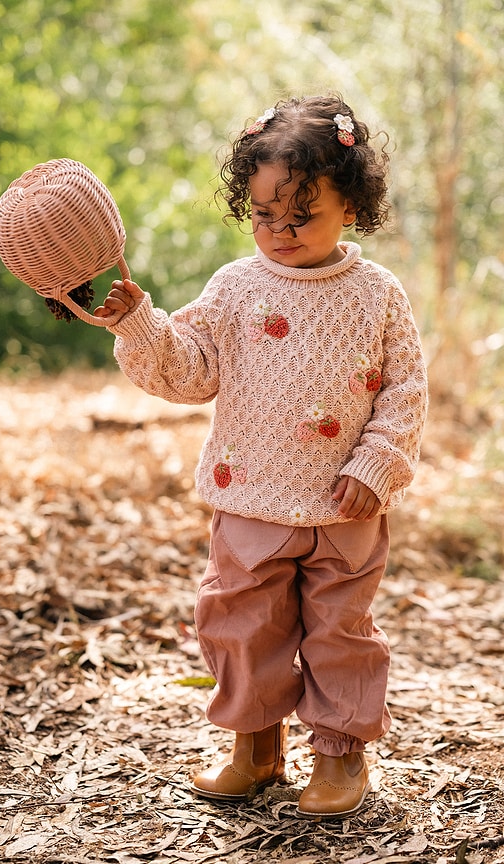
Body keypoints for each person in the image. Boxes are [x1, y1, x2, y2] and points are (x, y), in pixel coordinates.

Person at [94, 94, 428, 819]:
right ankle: (256, 748)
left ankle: (340, 754)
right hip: (248, 497)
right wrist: (140, 325)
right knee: (243, 625)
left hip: (346, 506)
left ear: (353, 205)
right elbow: (189, 370)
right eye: (264, 214)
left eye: (301, 215)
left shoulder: (376, 294)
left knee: (341, 631)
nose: (280, 231)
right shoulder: (235, 287)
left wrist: (377, 463)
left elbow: (405, 389)